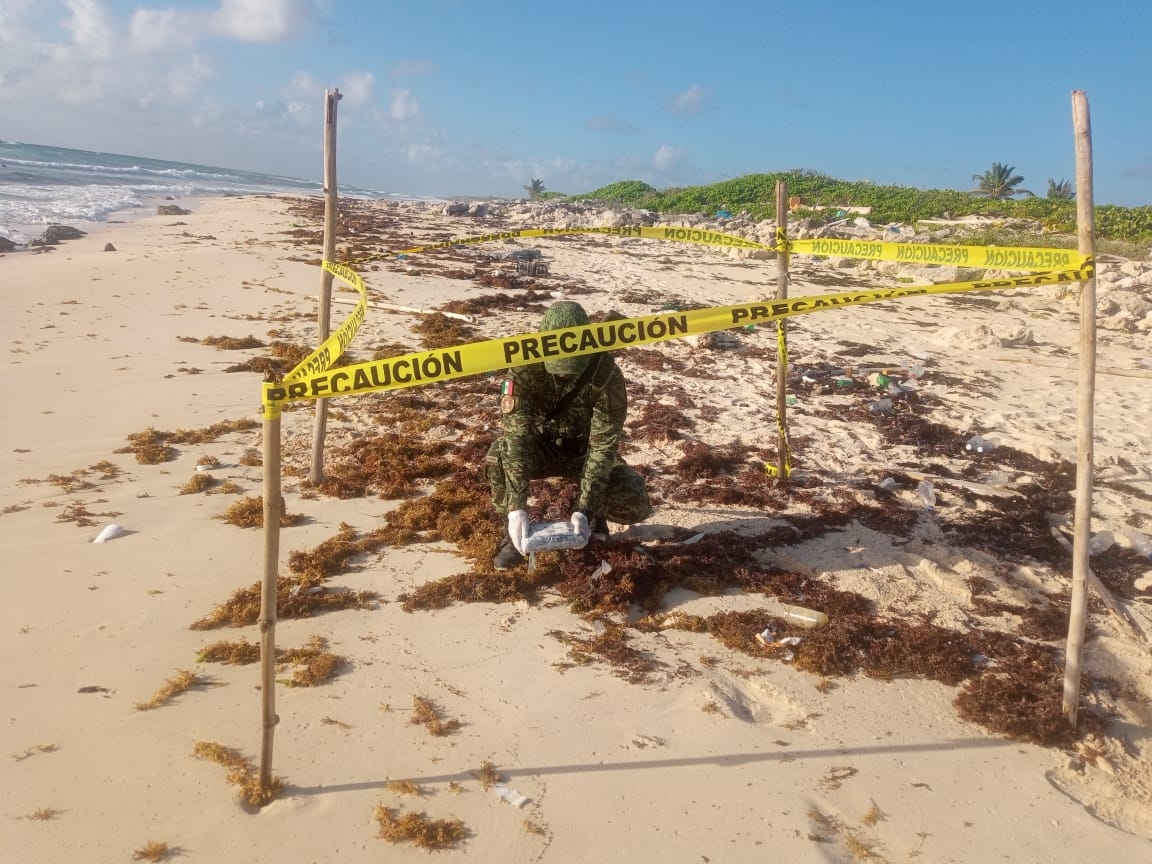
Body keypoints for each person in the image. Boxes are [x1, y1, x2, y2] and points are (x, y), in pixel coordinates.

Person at [486, 300, 652, 570]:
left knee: (634, 501)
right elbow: (517, 441)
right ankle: (510, 533)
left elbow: (602, 447)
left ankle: (595, 520)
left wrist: (585, 509)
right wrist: (517, 509)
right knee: (498, 457)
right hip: (542, 446)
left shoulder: (606, 375)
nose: (564, 376)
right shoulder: (523, 371)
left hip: (584, 451)